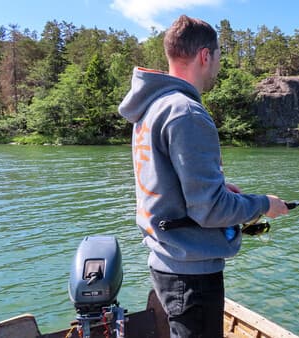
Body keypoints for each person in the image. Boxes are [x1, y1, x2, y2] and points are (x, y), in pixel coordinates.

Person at [118, 15, 289, 338]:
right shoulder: (186, 113)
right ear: (205, 56)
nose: (219, 65)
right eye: (219, 56)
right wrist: (264, 204)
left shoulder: (152, 107)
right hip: (191, 277)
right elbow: (209, 210)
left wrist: (219, 188)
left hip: (166, 262)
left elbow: (162, 179)